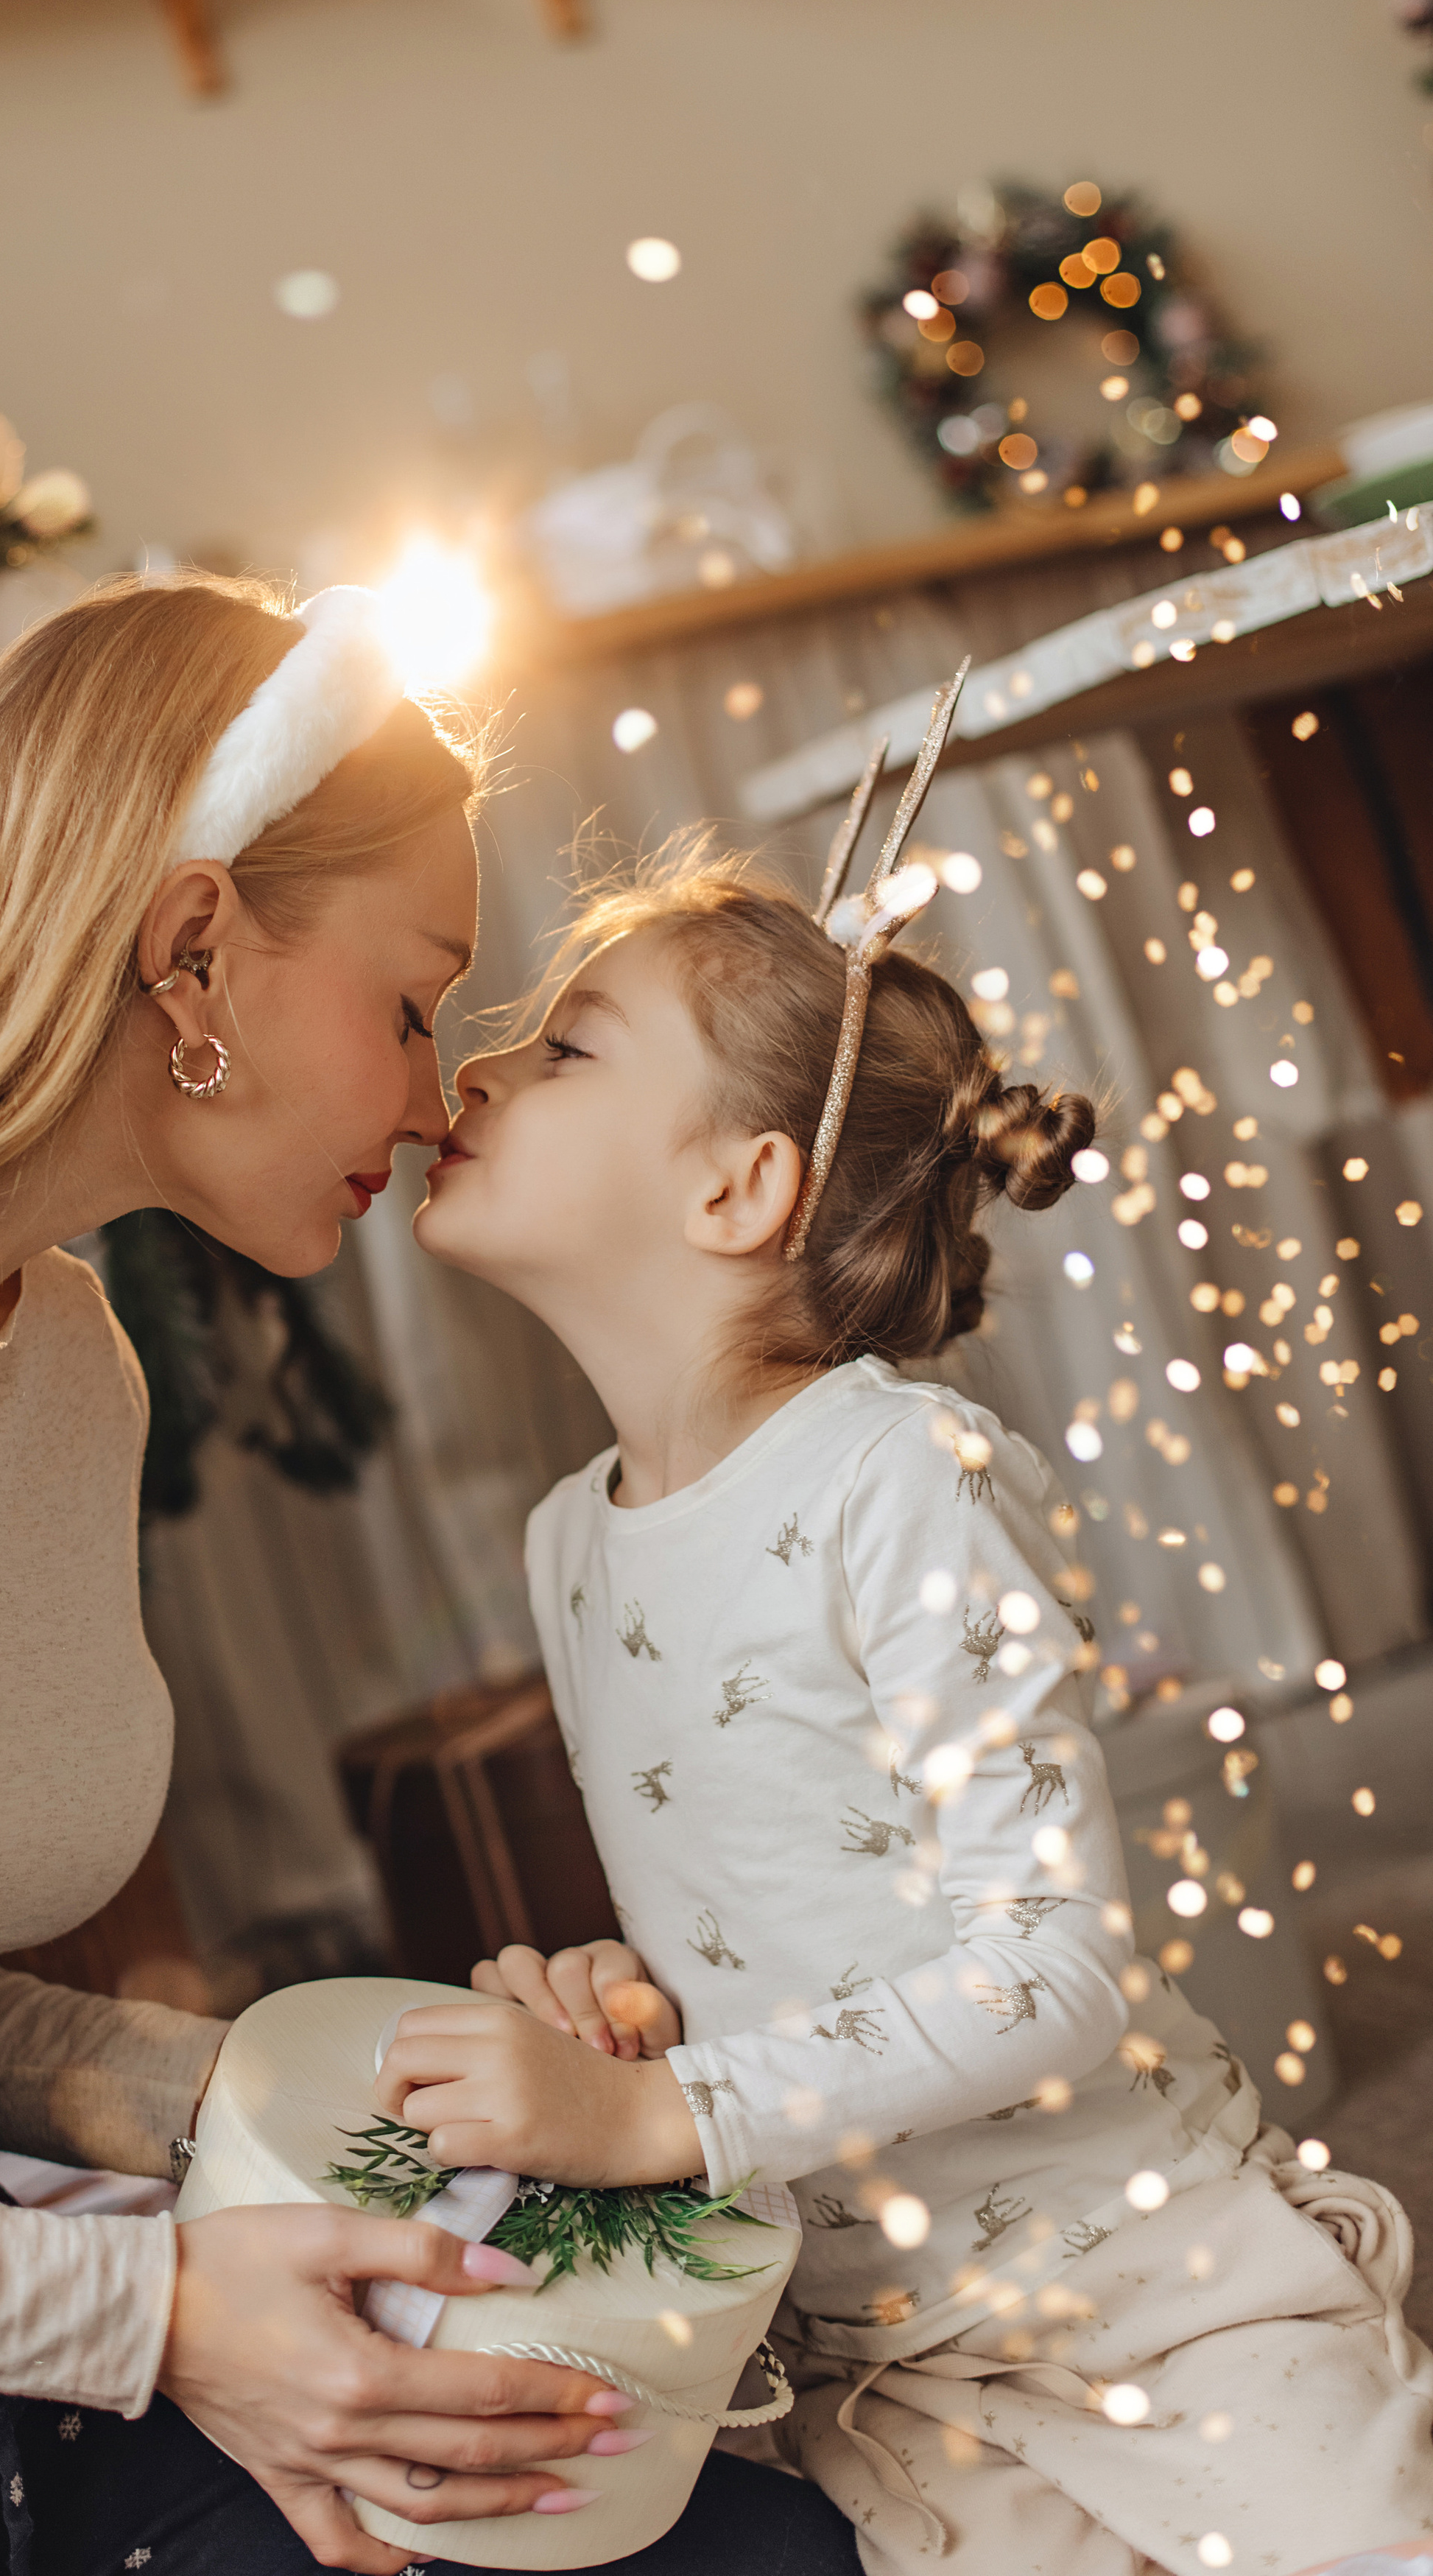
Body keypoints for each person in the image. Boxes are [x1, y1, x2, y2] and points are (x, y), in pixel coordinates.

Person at [0, 579, 863, 2576]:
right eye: (415, 1000)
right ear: (194, 949)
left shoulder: (74, 1361)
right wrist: (158, 2316)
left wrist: (423, 2096)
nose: (439, 1102)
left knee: (751, 2552)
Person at [390, 827, 1433, 2575]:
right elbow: (790, 1909)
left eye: (566, 1046)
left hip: (1149, 2303)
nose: (476, 1068)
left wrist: (671, 2118)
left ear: (736, 1188)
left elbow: (1051, 1963)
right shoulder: (568, 1543)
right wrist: (640, 2017)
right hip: (880, 2376)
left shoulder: (899, 1475)